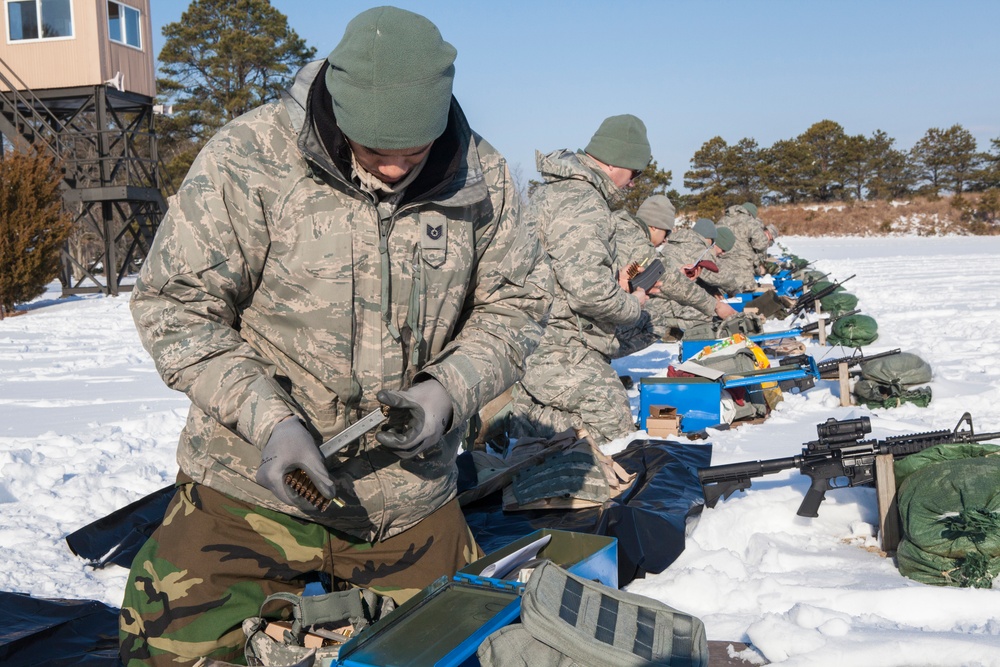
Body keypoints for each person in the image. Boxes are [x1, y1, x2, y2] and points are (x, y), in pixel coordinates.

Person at [119, 7, 553, 666]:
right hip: (249, 488)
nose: (393, 169)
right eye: (376, 152)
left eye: (413, 153)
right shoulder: (250, 158)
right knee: (161, 648)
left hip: (404, 501)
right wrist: (268, 421)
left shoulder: (481, 176)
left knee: (466, 645)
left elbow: (519, 306)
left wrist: (446, 391)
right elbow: (174, 305)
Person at [509, 114, 654, 445]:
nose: (633, 182)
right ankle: (514, 418)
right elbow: (589, 293)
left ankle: (524, 415)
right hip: (555, 345)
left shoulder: (560, 191)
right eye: (636, 171)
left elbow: (569, 272)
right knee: (613, 428)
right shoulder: (583, 202)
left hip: (541, 335)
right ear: (618, 162)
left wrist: (613, 279)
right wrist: (633, 304)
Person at [612, 196, 733, 345]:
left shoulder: (620, 228)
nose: (665, 240)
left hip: (596, 307)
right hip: (592, 319)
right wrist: (715, 306)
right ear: (654, 226)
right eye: (666, 233)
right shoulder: (638, 243)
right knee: (654, 324)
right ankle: (599, 352)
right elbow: (670, 280)